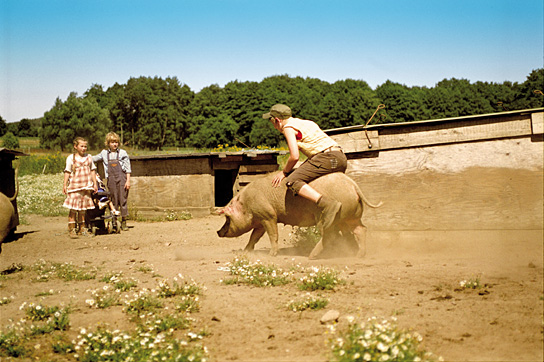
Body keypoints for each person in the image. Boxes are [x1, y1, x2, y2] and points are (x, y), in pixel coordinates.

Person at [263, 104, 348, 230]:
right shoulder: (307, 123)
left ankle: (327, 204)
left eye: (272, 122)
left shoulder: (288, 128)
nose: (273, 126)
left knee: (293, 181)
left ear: (277, 120)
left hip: (326, 157)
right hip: (340, 157)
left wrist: (284, 172)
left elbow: (294, 156)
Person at [93, 132, 131, 231]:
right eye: (112, 142)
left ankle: (124, 221)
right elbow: (93, 159)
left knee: (122, 199)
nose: (114, 144)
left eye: (116, 142)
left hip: (122, 178)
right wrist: (83, 157)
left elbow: (128, 168)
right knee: (113, 199)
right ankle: (114, 220)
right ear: (108, 143)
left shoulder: (122, 153)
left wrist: (128, 181)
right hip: (111, 179)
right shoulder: (104, 153)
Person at [63, 137, 98, 238]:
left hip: (86, 186)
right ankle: (72, 229)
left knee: (83, 209)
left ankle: (82, 228)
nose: (84, 148)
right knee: (73, 209)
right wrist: (65, 185)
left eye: (85, 146)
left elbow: (92, 170)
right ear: (75, 146)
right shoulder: (71, 158)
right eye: (81, 146)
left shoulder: (89, 157)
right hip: (75, 187)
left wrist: (94, 184)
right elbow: (67, 171)